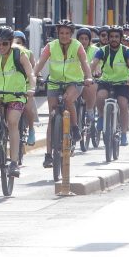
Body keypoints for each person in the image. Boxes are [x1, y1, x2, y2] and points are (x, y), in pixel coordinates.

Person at [0, 26, 36, 178]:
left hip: (16, 94)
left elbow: (31, 74)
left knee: (13, 122)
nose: (1, 47)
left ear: (10, 42)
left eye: (5, 44)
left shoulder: (20, 55)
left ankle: (14, 162)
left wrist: (32, 88)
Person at [32, 20, 93, 168]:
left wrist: (88, 77)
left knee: (67, 100)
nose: (64, 36)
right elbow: (40, 62)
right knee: (52, 116)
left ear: (71, 34)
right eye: (61, 33)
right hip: (55, 82)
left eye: (67, 33)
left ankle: (74, 127)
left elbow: (84, 63)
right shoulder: (50, 46)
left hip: (74, 82)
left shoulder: (77, 46)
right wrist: (33, 75)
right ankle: (48, 155)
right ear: (57, 34)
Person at [91, 25, 129, 146]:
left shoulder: (126, 51)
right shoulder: (102, 50)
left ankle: (123, 134)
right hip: (106, 81)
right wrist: (88, 74)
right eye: (111, 36)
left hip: (122, 83)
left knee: (123, 104)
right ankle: (101, 116)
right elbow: (93, 63)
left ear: (121, 38)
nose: (113, 39)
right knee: (100, 97)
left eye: (117, 37)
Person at [13, 30, 38, 146]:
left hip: (26, 87)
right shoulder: (6, 54)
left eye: (19, 42)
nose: (16, 44)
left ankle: (31, 130)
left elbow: (34, 68)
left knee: (28, 107)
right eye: (13, 42)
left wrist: (39, 78)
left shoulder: (28, 53)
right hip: (12, 87)